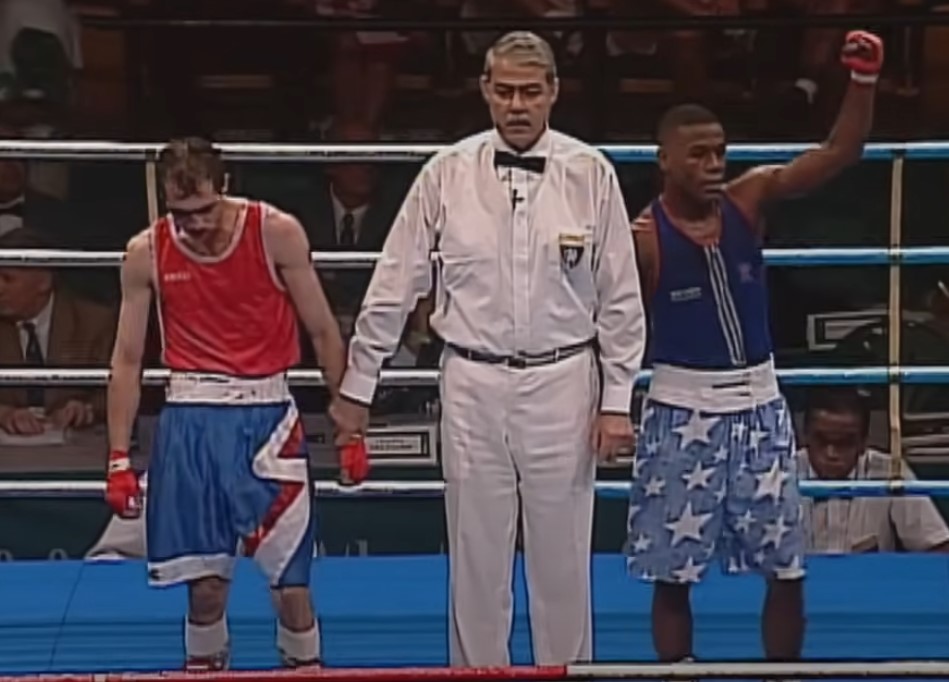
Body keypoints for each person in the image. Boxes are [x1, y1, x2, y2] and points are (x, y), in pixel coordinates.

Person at [330, 30, 646, 667]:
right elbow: (394, 285)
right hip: (471, 380)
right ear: (484, 91)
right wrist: (359, 386)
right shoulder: (445, 173)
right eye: (504, 91)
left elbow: (620, 297)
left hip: (563, 379)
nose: (517, 105)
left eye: (529, 92)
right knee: (476, 557)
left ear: (553, 92)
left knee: (563, 560)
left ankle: (566, 675)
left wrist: (617, 401)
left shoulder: (591, 173)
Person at [625, 30, 883, 666]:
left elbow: (840, 151)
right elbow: (608, 324)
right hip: (681, 411)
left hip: (760, 409)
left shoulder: (749, 198)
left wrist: (863, 81)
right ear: (665, 159)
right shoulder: (642, 238)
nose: (713, 165)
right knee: (673, 574)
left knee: (787, 568)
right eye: (698, 155)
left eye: (719, 152)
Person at [104, 137, 349, 671]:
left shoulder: (276, 232)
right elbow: (127, 358)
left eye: (204, 209)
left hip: (268, 422)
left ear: (226, 187)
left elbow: (324, 331)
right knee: (205, 590)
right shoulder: (146, 251)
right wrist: (118, 457)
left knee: (291, 589)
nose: (194, 224)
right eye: (181, 212)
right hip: (190, 421)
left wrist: (351, 425)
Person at [798, 386, 949, 554]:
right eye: (821, 440)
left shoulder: (891, 472)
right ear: (805, 436)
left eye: (844, 443)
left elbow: (940, 549)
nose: (831, 453)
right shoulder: (782, 475)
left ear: (863, 443)